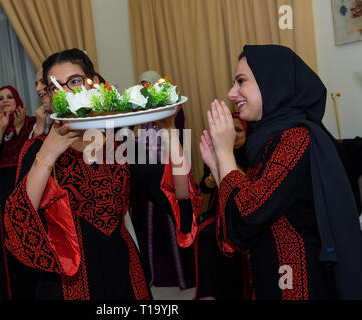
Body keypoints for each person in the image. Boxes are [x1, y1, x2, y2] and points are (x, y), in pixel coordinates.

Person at [3, 48, 202, 300]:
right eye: (56, 86)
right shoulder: (36, 150)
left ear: (94, 83)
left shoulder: (121, 146)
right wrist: (49, 152)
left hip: (123, 273)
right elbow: (19, 221)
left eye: (74, 81)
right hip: (67, 283)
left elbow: (181, 194)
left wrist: (170, 129)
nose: (67, 92)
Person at [199, 44, 362, 300]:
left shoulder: (294, 138)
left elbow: (247, 214)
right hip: (274, 273)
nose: (232, 92)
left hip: (296, 282)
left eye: (241, 81)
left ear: (271, 82)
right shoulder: (269, 140)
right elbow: (246, 221)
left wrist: (225, 154)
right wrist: (218, 170)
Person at [130, 70, 194, 290]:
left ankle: (179, 276)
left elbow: (179, 138)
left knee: (173, 225)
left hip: (169, 176)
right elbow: (129, 145)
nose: (148, 90)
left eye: (152, 85)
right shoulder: (134, 112)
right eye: (143, 86)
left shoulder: (170, 109)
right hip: (144, 182)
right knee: (148, 230)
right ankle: (154, 276)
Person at [0, 85, 36, 299]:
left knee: (30, 245)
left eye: (9, 96)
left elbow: (32, 155)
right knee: (6, 251)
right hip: (2, 198)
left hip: (29, 193)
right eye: (0, 98)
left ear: (18, 100)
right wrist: (1, 129)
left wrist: (20, 129)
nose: (5, 101)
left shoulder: (31, 123)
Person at [195, 113, 251, 300]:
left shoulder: (254, 152)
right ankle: (208, 294)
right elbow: (203, 186)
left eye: (239, 130)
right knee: (204, 233)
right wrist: (214, 172)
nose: (234, 135)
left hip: (246, 210)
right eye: (231, 130)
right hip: (218, 208)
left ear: (247, 131)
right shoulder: (217, 151)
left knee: (222, 235)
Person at [32, 69, 53, 137]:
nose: (37, 89)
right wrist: (39, 128)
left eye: (43, 82)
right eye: (36, 84)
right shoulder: (41, 117)